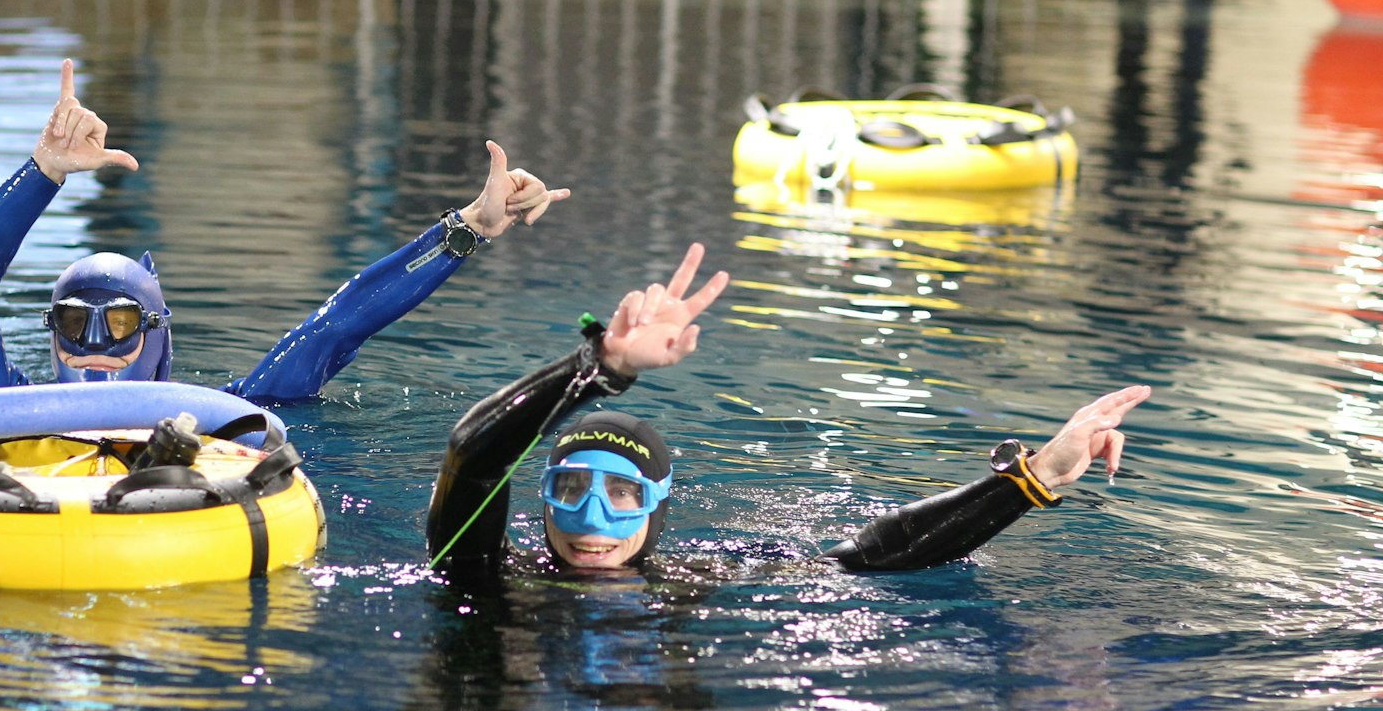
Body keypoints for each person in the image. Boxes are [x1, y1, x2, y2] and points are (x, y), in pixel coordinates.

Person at [426, 243, 1151, 580]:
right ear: (540, 500)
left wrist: (1035, 479)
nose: (593, 521)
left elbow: (874, 555)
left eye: (623, 493)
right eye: (571, 488)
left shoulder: (691, 584)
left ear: (658, 508)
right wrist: (602, 368)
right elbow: (474, 453)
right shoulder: (483, 574)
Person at [0, 60, 569, 403]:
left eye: (120, 322)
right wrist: (42, 172)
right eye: (73, 321)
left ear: (155, 335)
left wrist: (470, 229)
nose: (94, 340)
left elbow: (339, 325)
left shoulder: (225, 419)